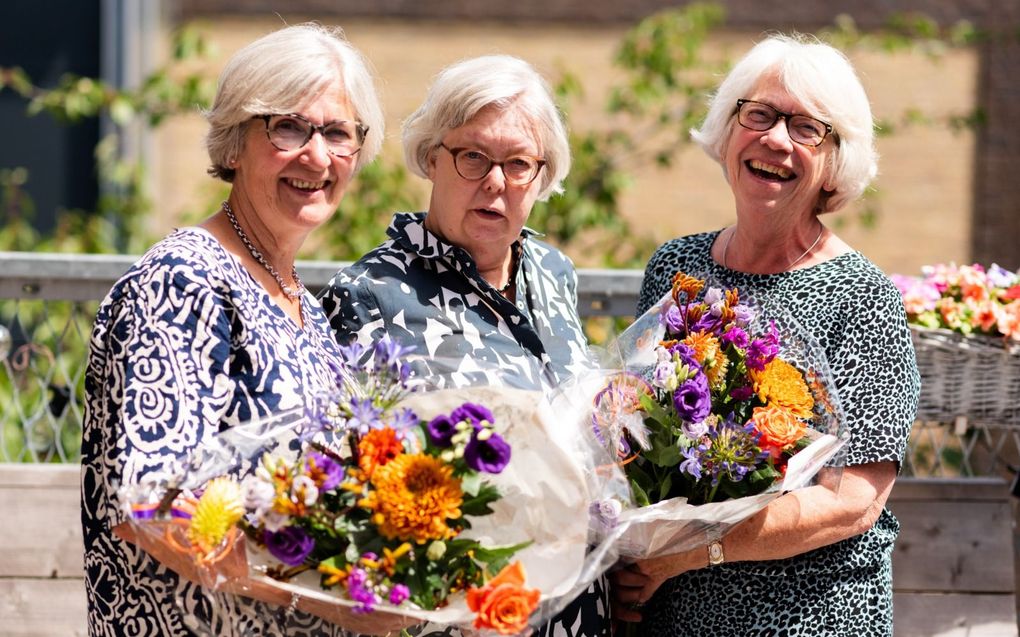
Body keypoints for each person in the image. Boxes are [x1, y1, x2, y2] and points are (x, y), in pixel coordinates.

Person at [80, 23, 402, 636]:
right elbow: (153, 507)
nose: (316, 155)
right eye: (288, 127)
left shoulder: (299, 301)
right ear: (233, 144)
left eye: (338, 133)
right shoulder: (184, 280)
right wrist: (328, 599)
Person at [610, 34, 920, 636]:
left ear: (835, 160)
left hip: (806, 616)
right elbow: (634, 437)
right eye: (760, 114)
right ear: (728, 130)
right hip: (671, 612)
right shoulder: (677, 268)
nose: (776, 139)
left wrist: (688, 554)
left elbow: (855, 498)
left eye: (808, 128)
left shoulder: (861, 295)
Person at [319, 55, 609, 636]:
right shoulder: (369, 293)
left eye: (518, 163)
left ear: (542, 175)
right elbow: (350, 486)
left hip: (579, 610)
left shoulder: (553, 273)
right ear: (432, 156)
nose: (496, 182)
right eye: (473, 156)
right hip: (458, 615)